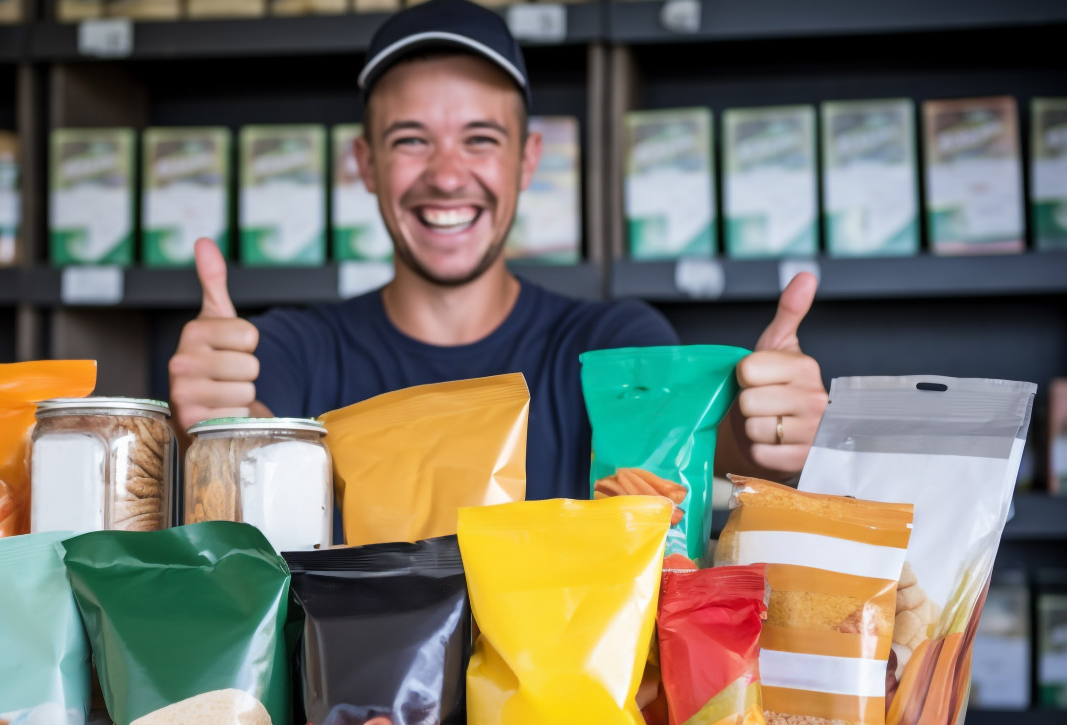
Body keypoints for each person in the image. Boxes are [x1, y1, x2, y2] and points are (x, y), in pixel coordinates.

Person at [168, 0, 827, 500]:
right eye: (411, 141)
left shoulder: (613, 342)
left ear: (527, 159)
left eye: (480, 138)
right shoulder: (290, 352)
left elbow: (692, 454)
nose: (449, 176)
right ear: (365, 164)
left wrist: (763, 433)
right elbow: (239, 468)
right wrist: (219, 428)